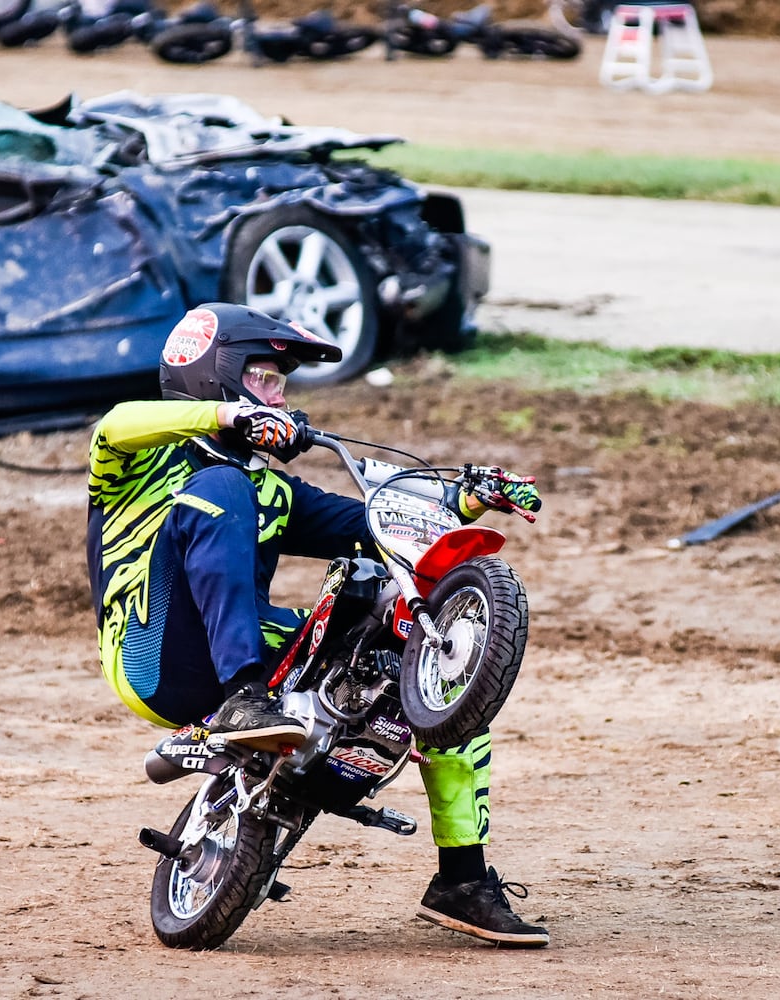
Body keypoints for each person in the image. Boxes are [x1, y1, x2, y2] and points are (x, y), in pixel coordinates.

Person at [85, 302, 549, 947]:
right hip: (154, 651)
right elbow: (117, 421)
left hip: (248, 640)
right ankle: (243, 702)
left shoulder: (272, 489)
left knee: (405, 627)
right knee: (224, 488)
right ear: (211, 375)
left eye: (282, 385)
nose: (278, 397)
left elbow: (373, 524)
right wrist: (231, 417)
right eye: (263, 379)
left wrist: (471, 497)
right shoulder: (137, 460)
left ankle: (462, 880)